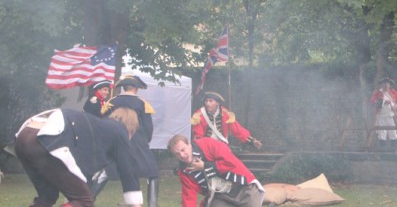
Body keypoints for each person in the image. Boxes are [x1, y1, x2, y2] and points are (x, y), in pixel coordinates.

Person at [14, 108, 143, 207]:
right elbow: (128, 169)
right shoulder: (120, 130)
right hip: (48, 137)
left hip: (25, 134)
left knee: (47, 197)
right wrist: (135, 203)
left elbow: (80, 168)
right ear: (131, 127)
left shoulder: (99, 128)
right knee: (84, 201)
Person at [99, 75, 160, 207]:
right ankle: (153, 204)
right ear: (135, 89)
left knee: (104, 172)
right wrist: (145, 141)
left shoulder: (112, 101)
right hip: (138, 142)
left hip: (115, 142)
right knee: (152, 172)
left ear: (124, 87)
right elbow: (148, 127)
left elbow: (104, 122)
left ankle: (86, 199)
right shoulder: (142, 103)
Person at [167, 134, 265, 207]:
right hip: (220, 196)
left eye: (183, 150)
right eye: (177, 154)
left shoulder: (208, 144)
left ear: (189, 144)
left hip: (242, 187)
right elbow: (189, 199)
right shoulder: (184, 172)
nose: (182, 155)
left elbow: (230, 162)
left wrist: (205, 166)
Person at [190, 91, 262, 149]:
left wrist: (252, 141)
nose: (207, 103)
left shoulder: (226, 114)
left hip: (222, 147)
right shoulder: (198, 115)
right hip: (207, 148)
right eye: (206, 101)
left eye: (210, 101)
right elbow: (198, 136)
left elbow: (238, 130)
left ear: (217, 103)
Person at [370, 77, 397, 149]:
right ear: (381, 85)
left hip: (390, 115)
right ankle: (383, 149)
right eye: (384, 84)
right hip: (381, 115)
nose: (386, 85)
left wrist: (396, 106)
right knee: (382, 132)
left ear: (389, 85)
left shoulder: (393, 92)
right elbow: (373, 102)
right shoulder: (377, 93)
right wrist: (383, 102)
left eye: (387, 84)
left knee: (393, 132)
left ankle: (394, 148)